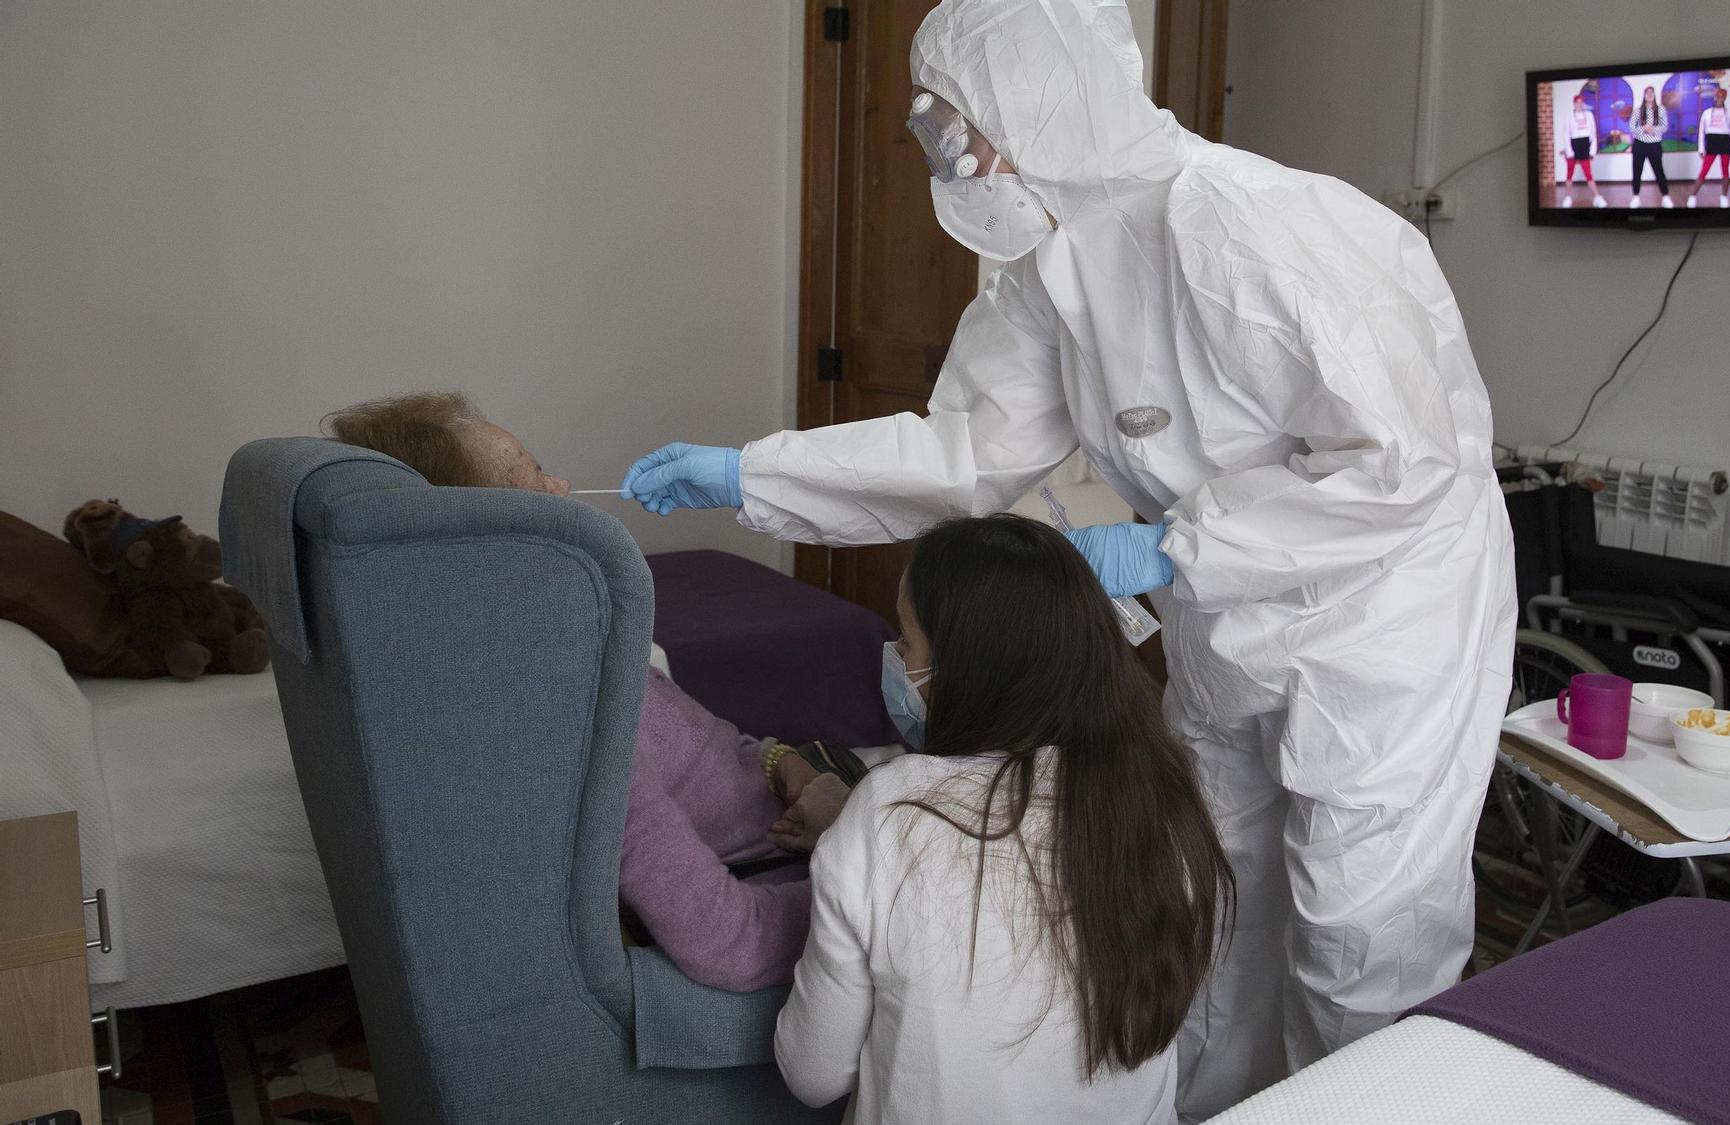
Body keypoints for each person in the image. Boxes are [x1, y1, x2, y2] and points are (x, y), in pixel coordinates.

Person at [624, 0, 1515, 1114]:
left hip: (1381, 618)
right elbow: (969, 453)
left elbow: (1403, 463)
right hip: (1222, 613)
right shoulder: (1049, 264)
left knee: (1358, 931)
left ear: (1037, 102)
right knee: (1216, 895)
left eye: (958, 127)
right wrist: (752, 473)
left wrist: (1171, 544)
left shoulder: (1256, 224)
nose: (953, 160)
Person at [325, 391, 855, 991]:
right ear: (475, 544)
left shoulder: (553, 641)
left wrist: (785, 765)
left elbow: (698, 749)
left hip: (799, 801)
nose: (564, 486)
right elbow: (732, 942)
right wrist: (879, 887)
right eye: (532, 479)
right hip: (800, 867)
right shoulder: (566, 710)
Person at [774, 515, 1231, 1124]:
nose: (897, 661)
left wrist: (843, 841)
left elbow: (813, 1074)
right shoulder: (1165, 797)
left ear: (965, 666)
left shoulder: (885, 813)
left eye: (907, 643)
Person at [1689, 85, 1730, 207]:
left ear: (1725, 98)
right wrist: (1701, 148)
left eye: (1723, 96)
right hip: (1712, 142)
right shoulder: (1706, 113)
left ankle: (1724, 197)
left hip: (1725, 142)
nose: (1720, 98)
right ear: (1715, 97)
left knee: (1725, 171)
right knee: (1704, 170)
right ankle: (1693, 196)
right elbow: (1701, 132)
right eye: (1718, 96)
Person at [1628, 85, 1673, 208]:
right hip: (1640, 145)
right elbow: (1631, 128)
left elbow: (1665, 127)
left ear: (1654, 95)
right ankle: (1636, 197)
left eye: (1651, 93)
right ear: (1644, 95)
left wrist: (1653, 130)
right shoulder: (1638, 111)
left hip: (1654, 145)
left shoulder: (1661, 110)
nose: (1649, 95)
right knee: (1637, 172)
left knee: (1659, 172)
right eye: (1647, 93)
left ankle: (1665, 197)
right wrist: (1643, 129)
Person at [1563, 93, 1607, 208]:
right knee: (1569, 173)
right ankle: (1567, 197)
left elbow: (1593, 133)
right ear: (1574, 103)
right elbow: (1566, 134)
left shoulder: (1589, 115)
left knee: (1588, 174)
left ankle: (1597, 197)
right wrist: (1569, 152)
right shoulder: (1569, 116)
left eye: (1581, 102)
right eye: (1577, 102)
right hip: (1573, 145)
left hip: (1584, 146)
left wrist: (1592, 150)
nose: (1579, 104)